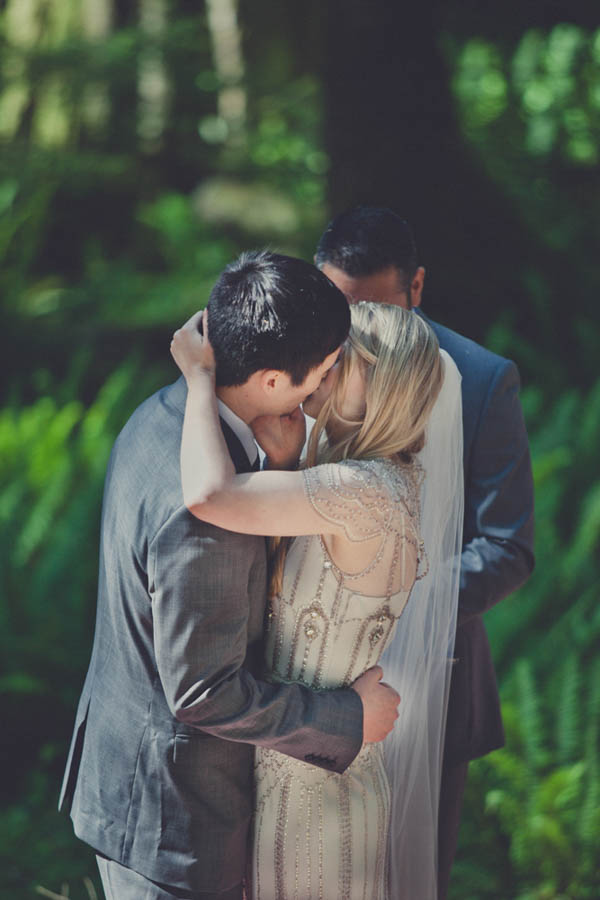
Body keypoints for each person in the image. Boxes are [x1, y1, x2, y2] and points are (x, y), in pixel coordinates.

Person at [59, 251, 402, 900]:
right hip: (175, 825)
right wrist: (348, 717)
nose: (326, 387)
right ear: (273, 381)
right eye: (324, 370)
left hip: (133, 778)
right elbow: (203, 691)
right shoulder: (206, 516)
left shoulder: (161, 411)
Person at [170, 299, 464, 899]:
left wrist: (199, 378)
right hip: (305, 768)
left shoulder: (364, 491)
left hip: (320, 797)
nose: (322, 369)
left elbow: (207, 495)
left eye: (341, 361)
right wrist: (283, 459)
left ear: (383, 385)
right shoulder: (360, 480)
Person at [314, 206, 536, 898]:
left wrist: (389, 602)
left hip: (432, 682)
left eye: (375, 309)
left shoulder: (482, 379)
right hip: (307, 685)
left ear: (416, 286)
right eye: (338, 309)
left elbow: (507, 548)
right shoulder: (300, 364)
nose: (356, 335)